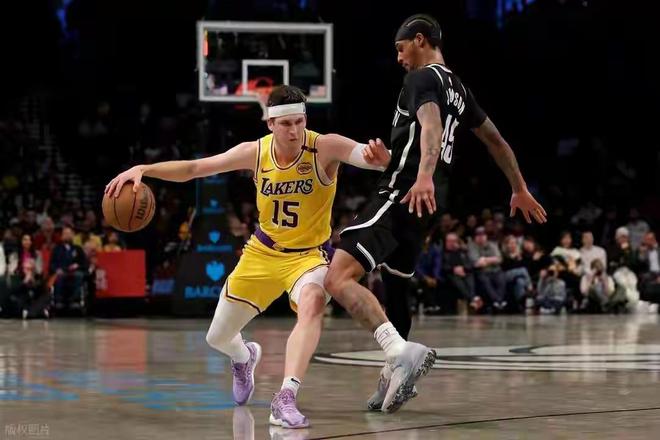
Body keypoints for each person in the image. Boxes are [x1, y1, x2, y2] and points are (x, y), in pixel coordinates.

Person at [105, 85, 391, 429]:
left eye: (299, 122)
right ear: (270, 124)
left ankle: (286, 396)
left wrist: (381, 159)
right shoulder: (254, 152)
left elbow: (367, 156)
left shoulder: (324, 145)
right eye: (286, 124)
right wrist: (144, 168)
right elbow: (195, 168)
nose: (294, 131)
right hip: (262, 253)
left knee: (314, 302)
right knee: (217, 337)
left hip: (308, 257)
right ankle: (244, 356)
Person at [324, 13, 546, 413]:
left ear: (420, 40)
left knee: (337, 276)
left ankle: (399, 353)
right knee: (396, 288)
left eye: (401, 48)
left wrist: (421, 174)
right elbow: (495, 141)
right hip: (427, 205)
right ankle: (393, 375)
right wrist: (519, 187)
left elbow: (430, 125)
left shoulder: (422, 78)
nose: (399, 58)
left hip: (404, 193)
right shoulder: (458, 87)